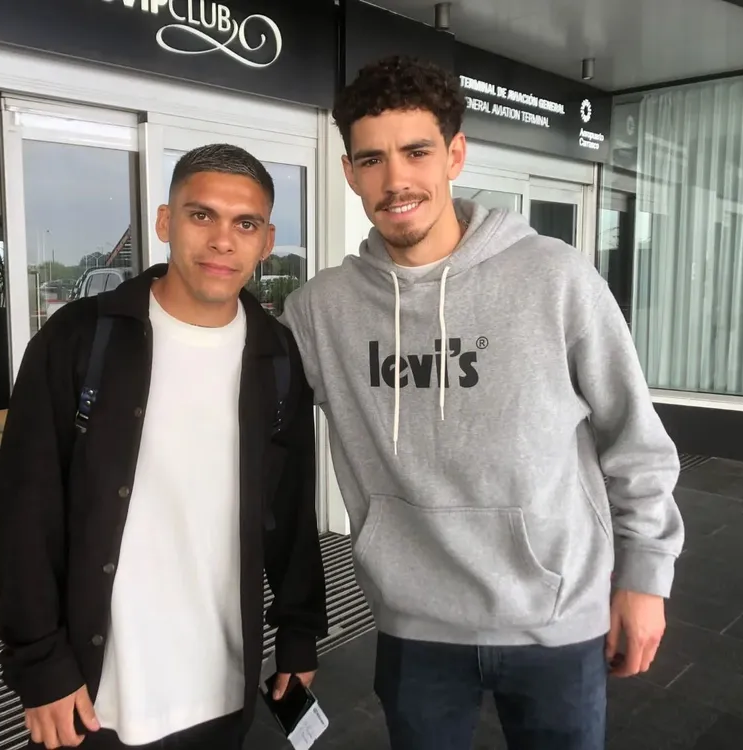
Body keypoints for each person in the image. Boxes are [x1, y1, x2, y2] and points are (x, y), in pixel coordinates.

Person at [280, 56, 685, 750]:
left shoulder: (554, 277)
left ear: (454, 156)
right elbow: (245, 412)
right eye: (371, 159)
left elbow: (634, 439)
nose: (396, 179)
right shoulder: (321, 310)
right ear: (348, 173)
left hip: (555, 615)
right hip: (415, 624)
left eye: (416, 152)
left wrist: (645, 575)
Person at [0, 143, 327, 750]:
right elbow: (23, 512)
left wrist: (298, 635)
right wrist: (39, 666)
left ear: (267, 239)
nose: (223, 240)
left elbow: (292, 513)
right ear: (165, 222)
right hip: (98, 701)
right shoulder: (80, 339)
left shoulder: (276, 357)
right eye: (202, 216)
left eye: (244, 223)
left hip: (223, 691)